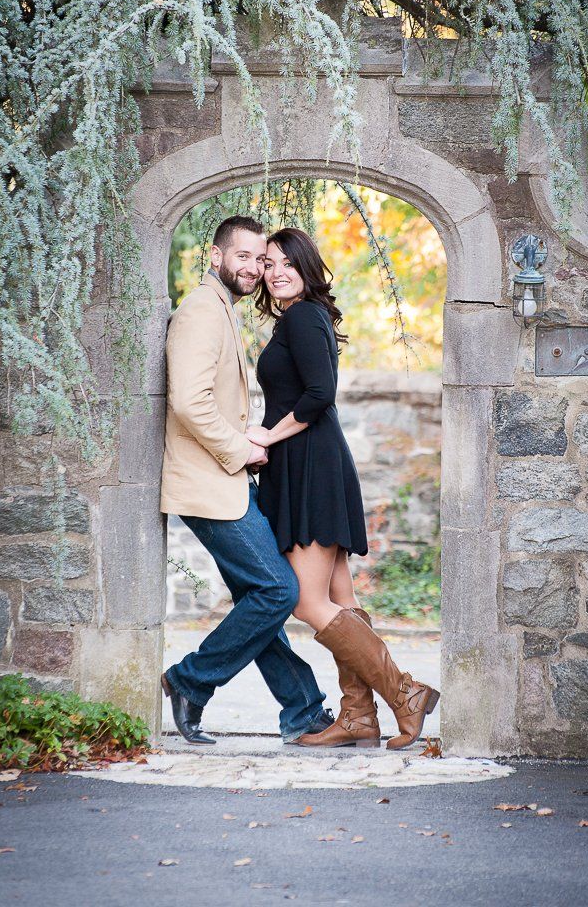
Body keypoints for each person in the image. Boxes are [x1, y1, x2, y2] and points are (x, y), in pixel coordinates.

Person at [247, 227, 440, 750]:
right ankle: (358, 717)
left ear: (307, 268)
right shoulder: (302, 317)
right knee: (340, 597)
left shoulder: (303, 316)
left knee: (306, 602)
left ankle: (405, 692)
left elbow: (319, 395)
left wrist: (267, 435)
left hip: (309, 465)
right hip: (312, 463)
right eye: (269, 263)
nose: (277, 272)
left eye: (288, 263)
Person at [159, 215, 333, 746]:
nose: (256, 268)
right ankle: (190, 680)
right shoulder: (201, 311)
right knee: (277, 590)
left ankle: (302, 709)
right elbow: (189, 402)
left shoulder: (222, 309)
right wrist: (243, 447)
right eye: (245, 256)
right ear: (216, 256)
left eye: (261, 259)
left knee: (259, 597)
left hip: (227, 479)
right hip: (208, 483)